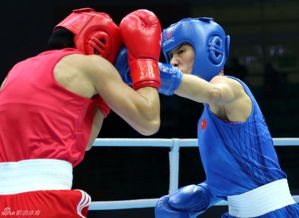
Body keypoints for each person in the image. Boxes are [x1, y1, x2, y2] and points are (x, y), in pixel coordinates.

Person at [116, 17, 299, 217]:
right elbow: (238, 170)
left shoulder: (229, 86)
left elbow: (212, 92)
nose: (174, 60)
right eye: (169, 55)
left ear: (210, 50)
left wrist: (150, 70)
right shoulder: (207, 110)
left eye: (181, 51)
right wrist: (208, 192)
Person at [0, 8, 162, 217]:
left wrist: (102, 99)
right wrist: (144, 63)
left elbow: (83, 142)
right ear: (99, 42)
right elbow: (149, 121)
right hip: (46, 198)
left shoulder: (17, 69)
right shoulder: (91, 64)